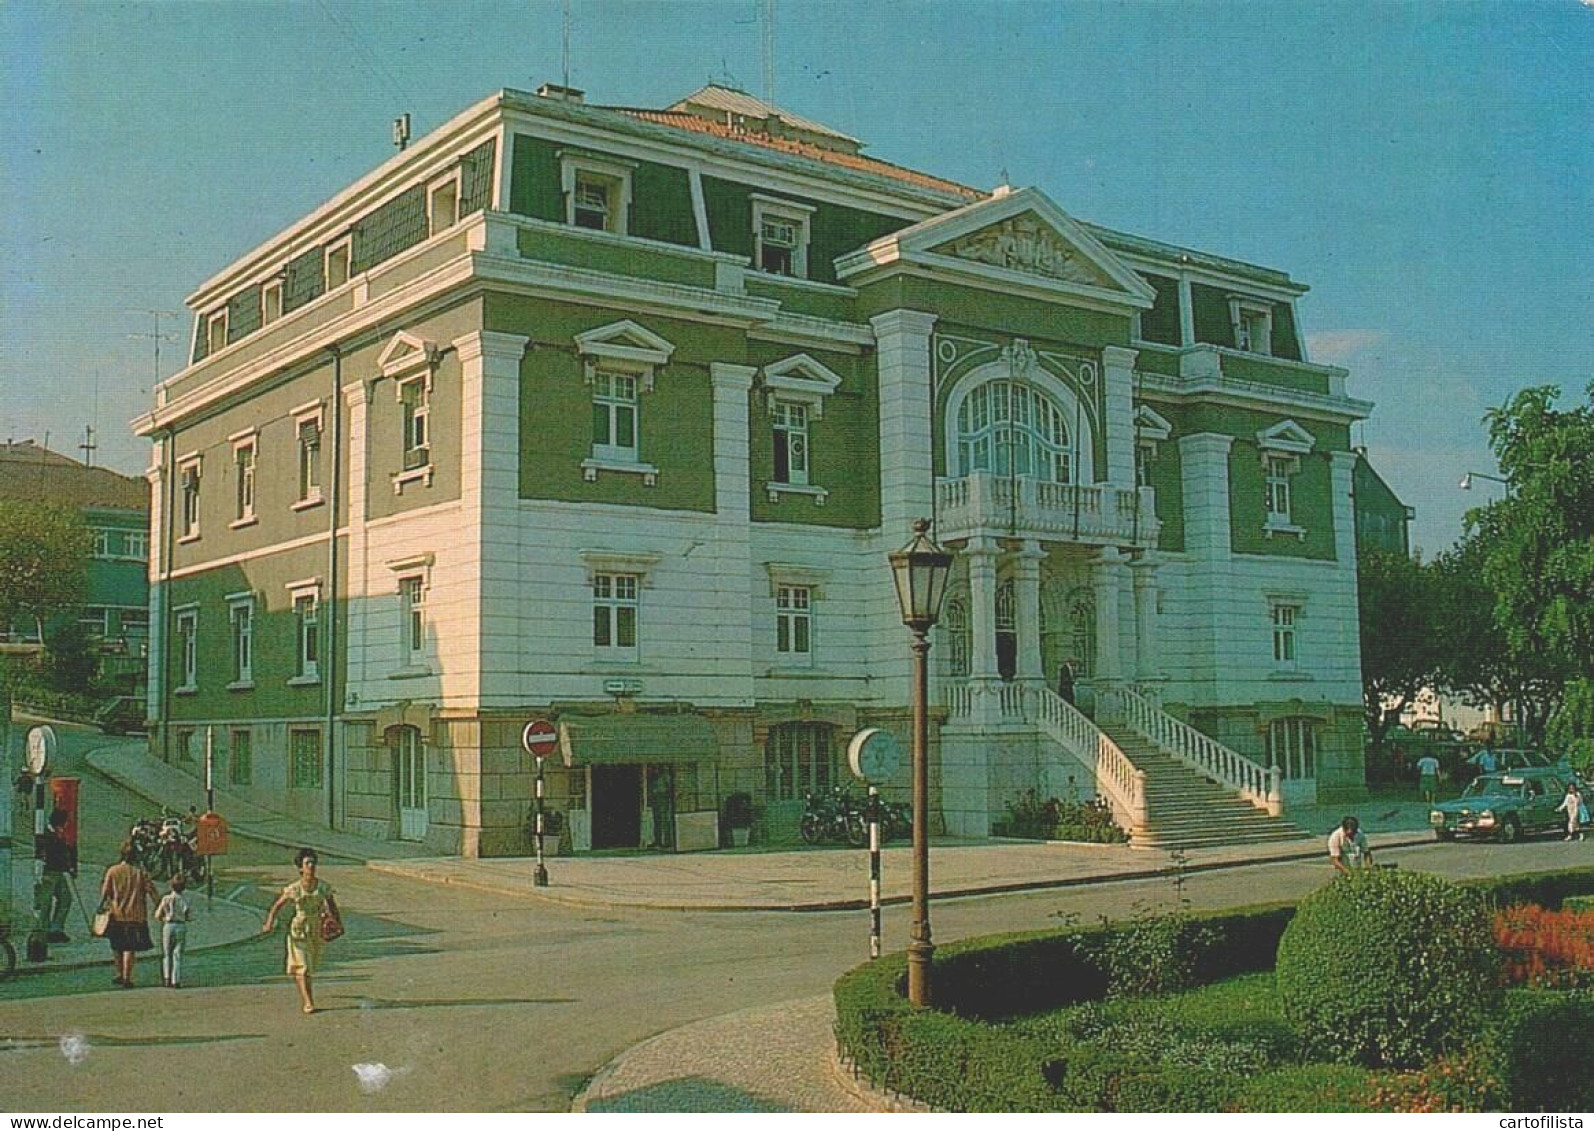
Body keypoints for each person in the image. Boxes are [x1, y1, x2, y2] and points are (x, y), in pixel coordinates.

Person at [262, 848, 341, 1015]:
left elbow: (332, 905)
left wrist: (337, 924)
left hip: (316, 928)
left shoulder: (323, 887)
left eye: (313, 863)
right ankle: (308, 1002)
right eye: (307, 863)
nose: (311, 866)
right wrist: (269, 922)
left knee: (311, 965)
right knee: (303, 967)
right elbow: (277, 906)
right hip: (299, 929)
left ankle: (304, 987)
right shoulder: (294, 889)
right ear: (300, 868)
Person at [100, 840, 157, 988]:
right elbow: (151, 891)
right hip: (135, 915)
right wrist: (160, 905)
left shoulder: (112, 871)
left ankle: (119, 973)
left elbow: (105, 893)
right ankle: (127, 976)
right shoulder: (140, 873)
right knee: (129, 947)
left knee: (117, 946)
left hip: (116, 914)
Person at [34, 808, 77, 943]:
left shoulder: (58, 833)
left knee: (66, 898)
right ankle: (43, 931)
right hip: (49, 872)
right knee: (45, 903)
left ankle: (56, 928)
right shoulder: (46, 834)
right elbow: (45, 854)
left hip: (59, 871)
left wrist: (69, 865)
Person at [154, 874, 193, 988]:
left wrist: (164, 918)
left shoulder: (166, 898)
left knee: (166, 953)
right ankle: (176, 979)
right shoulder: (185, 900)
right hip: (180, 925)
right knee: (177, 953)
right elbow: (189, 916)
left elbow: (157, 915)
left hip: (168, 925)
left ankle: (166, 977)